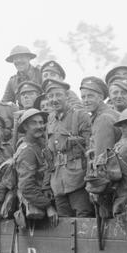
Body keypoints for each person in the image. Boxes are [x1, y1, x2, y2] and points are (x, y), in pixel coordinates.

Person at [43, 78, 93, 217]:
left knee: (84, 220)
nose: (54, 99)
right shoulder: (50, 120)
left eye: (58, 95)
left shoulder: (80, 116)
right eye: (51, 96)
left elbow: (91, 150)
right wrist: (47, 184)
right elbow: (49, 156)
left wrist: (91, 181)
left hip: (79, 181)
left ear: (67, 96)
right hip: (57, 184)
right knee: (64, 226)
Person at [13, 108, 54, 222]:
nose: (39, 126)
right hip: (38, 203)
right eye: (34, 123)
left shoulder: (41, 144)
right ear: (25, 127)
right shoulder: (27, 150)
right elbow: (26, 187)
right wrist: (48, 206)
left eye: (41, 122)